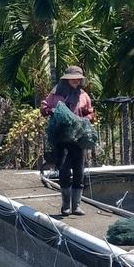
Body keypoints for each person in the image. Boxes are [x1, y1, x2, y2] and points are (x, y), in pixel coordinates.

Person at [41, 66, 95, 216]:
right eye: (73, 78)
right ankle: (65, 205)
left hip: (78, 138)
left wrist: (85, 119)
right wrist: (51, 111)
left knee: (79, 171)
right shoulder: (56, 92)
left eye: (78, 79)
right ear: (67, 79)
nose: (76, 81)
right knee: (64, 170)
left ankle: (76, 206)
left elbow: (90, 113)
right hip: (61, 137)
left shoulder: (83, 95)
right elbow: (44, 106)